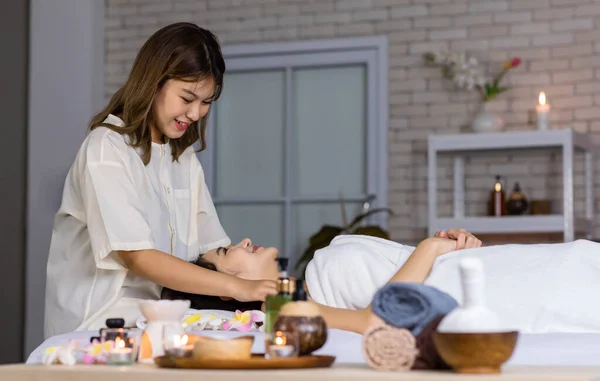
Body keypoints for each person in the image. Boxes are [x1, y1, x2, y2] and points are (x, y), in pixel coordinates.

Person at [44, 23, 276, 338]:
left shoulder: (183, 158)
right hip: (98, 322)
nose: (196, 113)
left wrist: (255, 279)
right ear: (154, 82)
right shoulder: (107, 148)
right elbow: (136, 255)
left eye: (206, 102)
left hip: (160, 317)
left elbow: (211, 249)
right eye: (188, 97)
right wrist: (241, 287)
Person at [164, 230, 481, 334]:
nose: (243, 241)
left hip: (476, 271)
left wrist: (450, 245)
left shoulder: (314, 274)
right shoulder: (283, 309)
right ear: (225, 292)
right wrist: (430, 248)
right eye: (225, 251)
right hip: (476, 297)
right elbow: (375, 320)